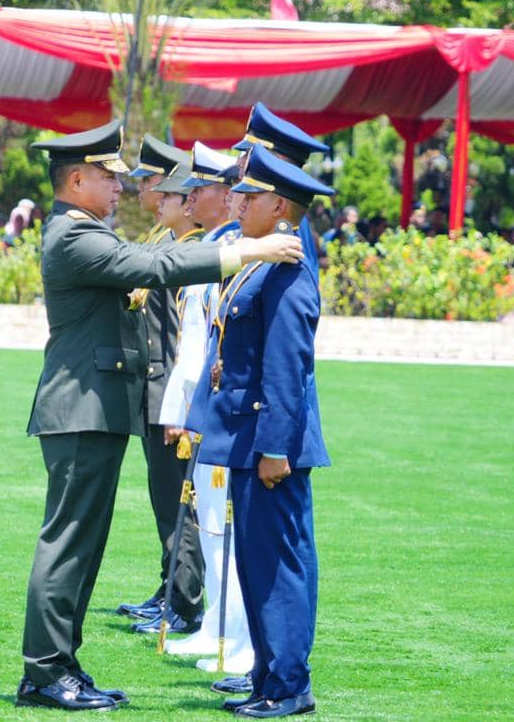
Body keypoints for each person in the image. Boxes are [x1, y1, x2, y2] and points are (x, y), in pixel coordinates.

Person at [17, 120, 304, 712]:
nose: (120, 185)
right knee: (68, 543)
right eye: (106, 175)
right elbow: (156, 268)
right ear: (75, 180)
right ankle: (45, 672)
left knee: (84, 544)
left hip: (94, 410)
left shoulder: (87, 231)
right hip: (80, 410)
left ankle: (62, 665)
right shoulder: (74, 236)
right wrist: (249, 247)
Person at [186, 143, 332, 718]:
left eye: (249, 195)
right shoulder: (260, 260)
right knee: (256, 561)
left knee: (279, 564)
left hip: (271, 444)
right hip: (247, 438)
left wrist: (275, 446)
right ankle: (267, 675)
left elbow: (287, 364)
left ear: (280, 208)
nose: (237, 202)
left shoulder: (288, 266)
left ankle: (290, 685)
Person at [163, 156, 254, 675]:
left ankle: (236, 639)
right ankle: (217, 629)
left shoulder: (230, 251)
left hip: (221, 412)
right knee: (214, 528)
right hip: (206, 410)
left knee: (227, 530)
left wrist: (186, 410)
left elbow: (207, 349)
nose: (193, 197)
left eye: (205, 187)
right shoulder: (213, 249)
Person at [115, 134, 206, 637]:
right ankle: (170, 587)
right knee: (165, 501)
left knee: (179, 504)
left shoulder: (189, 252)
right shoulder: (164, 242)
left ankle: (184, 600)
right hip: (154, 394)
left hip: (168, 398)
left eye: (165, 191)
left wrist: (177, 403)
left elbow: (181, 340)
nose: (155, 196)